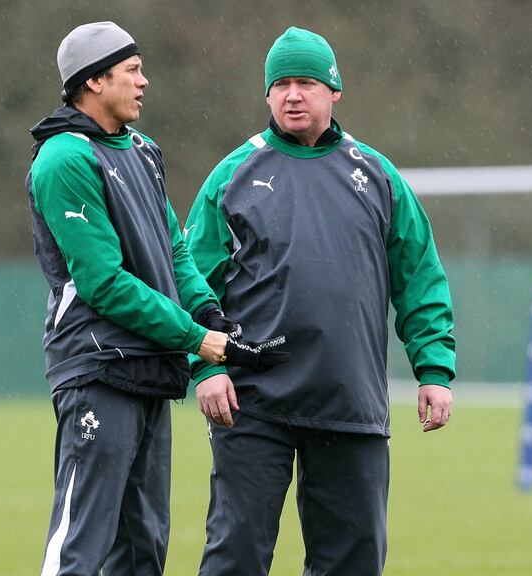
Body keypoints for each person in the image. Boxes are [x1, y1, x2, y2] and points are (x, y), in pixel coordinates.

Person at [184, 27, 456, 576]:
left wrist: (434, 370)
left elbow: (420, 276)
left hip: (349, 400)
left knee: (353, 563)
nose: (292, 94)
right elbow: (189, 278)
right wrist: (203, 365)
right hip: (251, 402)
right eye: (280, 83)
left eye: (305, 82)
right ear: (266, 95)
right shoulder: (232, 176)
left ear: (333, 91)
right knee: (234, 557)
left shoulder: (378, 176)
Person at [24, 21, 288, 576]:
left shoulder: (142, 150)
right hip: (98, 369)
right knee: (81, 541)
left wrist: (211, 314)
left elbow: (175, 251)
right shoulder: (63, 159)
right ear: (94, 82)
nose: (145, 82)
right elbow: (103, 283)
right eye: (132, 70)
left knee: (144, 548)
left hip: (149, 368)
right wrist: (199, 339)